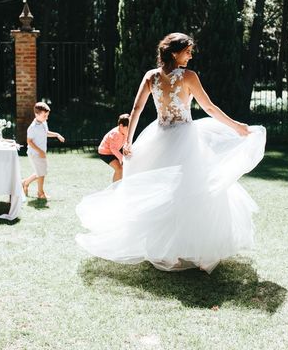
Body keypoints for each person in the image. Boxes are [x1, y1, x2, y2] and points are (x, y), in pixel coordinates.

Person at [76, 33, 266, 273]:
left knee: (168, 195)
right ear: (175, 53)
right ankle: (193, 251)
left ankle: (173, 252)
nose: (191, 55)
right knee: (194, 192)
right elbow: (208, 107)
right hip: (186, 139)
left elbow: (136, 109)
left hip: (159, 137)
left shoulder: (151, 77)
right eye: (188, 51)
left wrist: (129, 140)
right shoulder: (188, 76)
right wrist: (237, 126)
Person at [22, 102, 65, 199]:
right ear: (37, 114)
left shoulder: (43, 122)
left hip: (40, 153)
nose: (47, 118)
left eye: (47, 115)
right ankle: (40, 193)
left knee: (41, 172)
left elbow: (45, 133)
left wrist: (57, 135)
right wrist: (40, 151)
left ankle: (25, 183)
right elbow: (29, 141)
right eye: (44, 116)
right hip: (35, 153)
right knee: (41, 173)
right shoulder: (32, 127)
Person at [98, 113, 130, 182]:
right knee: (119, 169)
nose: (129, 131)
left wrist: (125, 147)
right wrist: (121, 158)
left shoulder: (124, 132)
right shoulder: (115, 134)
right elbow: (113, 148)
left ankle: (119, 184)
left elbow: (125, 141)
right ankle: (114, 188)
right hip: (105, 153)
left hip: (113, 152)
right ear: (121, 126)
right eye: (128, 128)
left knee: (122, 168)